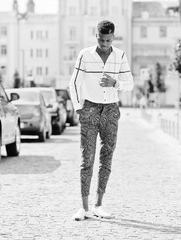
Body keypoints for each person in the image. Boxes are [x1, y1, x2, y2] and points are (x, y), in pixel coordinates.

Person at [69, 20, 134, 221]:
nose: (105, 43)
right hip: (90, 108)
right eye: (101, 39)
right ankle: (84, 208)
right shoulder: (85, 55)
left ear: (113, 37)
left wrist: (115, 83)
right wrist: (79, 107)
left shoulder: (120, 55)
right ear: (95, 36)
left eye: (108, 39)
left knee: (107, 157)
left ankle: (98, 205)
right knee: (87, 158)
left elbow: (130, 84)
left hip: (111, 110)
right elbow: (73, 83)